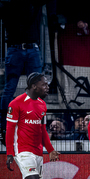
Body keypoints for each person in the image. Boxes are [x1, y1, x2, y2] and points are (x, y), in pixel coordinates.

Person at [6, 72, 60, 179]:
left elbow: (43, 131)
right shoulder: (16, 103)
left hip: (37, 152)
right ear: (34, 86)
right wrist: (10, 153)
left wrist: (50, 150)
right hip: (22, 151)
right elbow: (9, 131)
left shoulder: (42, 105)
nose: (47, 87)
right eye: (44, 84)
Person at [0, 0, 57, 133]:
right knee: (13, 88)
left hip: (22, 48)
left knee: (18, 88)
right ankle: (4, 125)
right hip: (23, 48)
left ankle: (34, 123)